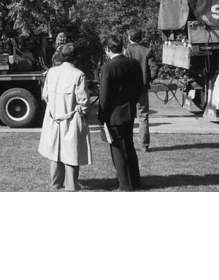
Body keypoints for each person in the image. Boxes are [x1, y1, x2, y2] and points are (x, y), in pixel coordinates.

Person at [38, 42, 92, 191]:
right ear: (76, 58)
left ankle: (55, 184)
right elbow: (84, 101)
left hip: (53, 117)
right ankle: (71, 186)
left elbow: (45, 96)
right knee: (71, 153)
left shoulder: (51, 72)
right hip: (71, 118)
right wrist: (83, 113)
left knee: (54, 153)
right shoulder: (78, 75)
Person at [99, 35, 144, 191]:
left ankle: (124, 184)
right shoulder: (134, 64)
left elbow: (103, 96)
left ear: (107, 50)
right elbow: (140, 88)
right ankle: (135, 181)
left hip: (113, 114)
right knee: (129, 146)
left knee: (117, 148)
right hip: (129, 111)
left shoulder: (107, 68)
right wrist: (132, 102)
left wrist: (101, 115)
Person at [124, 29, 158, 152]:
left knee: (128, 116)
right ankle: (144, 145)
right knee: (143, 116)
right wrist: (148, 79)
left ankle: (128, 144)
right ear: (140, 38)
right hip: (142, 88)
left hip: (129, 89)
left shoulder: (127, 51)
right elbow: (154, 68)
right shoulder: (146, 50)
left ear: (129, 38)